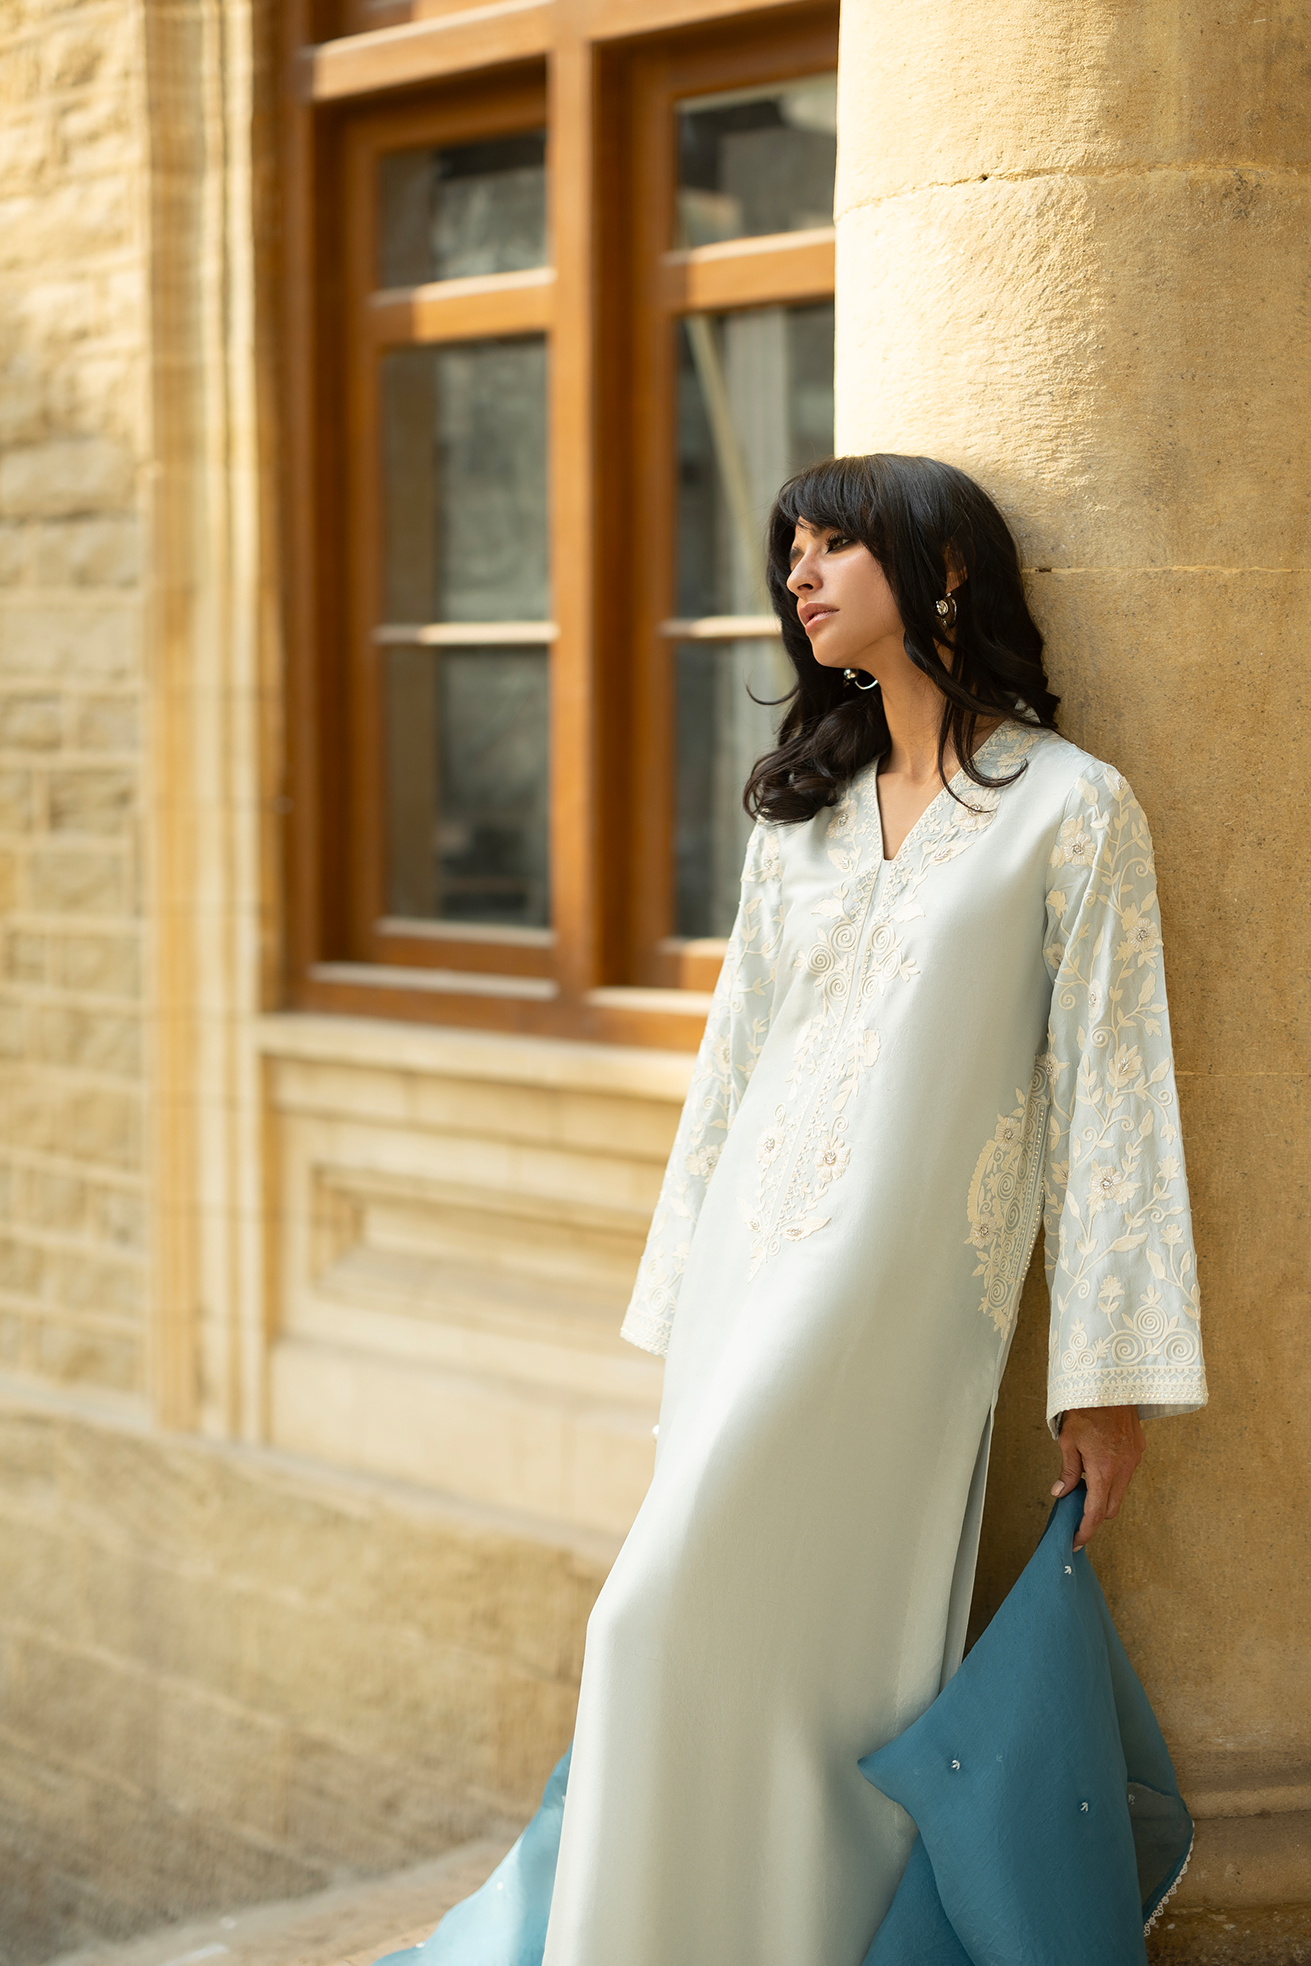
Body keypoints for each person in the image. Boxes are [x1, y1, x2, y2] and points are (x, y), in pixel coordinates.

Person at [425, 453, 1208, 1966]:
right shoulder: (805, 816)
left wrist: (1103, 1376)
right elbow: (734, 1069)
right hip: (749, 1273)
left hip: (904, 1309)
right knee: (705, 1636)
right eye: (791, 546)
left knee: (669, 1629)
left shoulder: (1073, 810)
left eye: (834, 542)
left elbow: (1112, 1093)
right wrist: (681, 1306)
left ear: (943, 571)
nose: (797, 572)